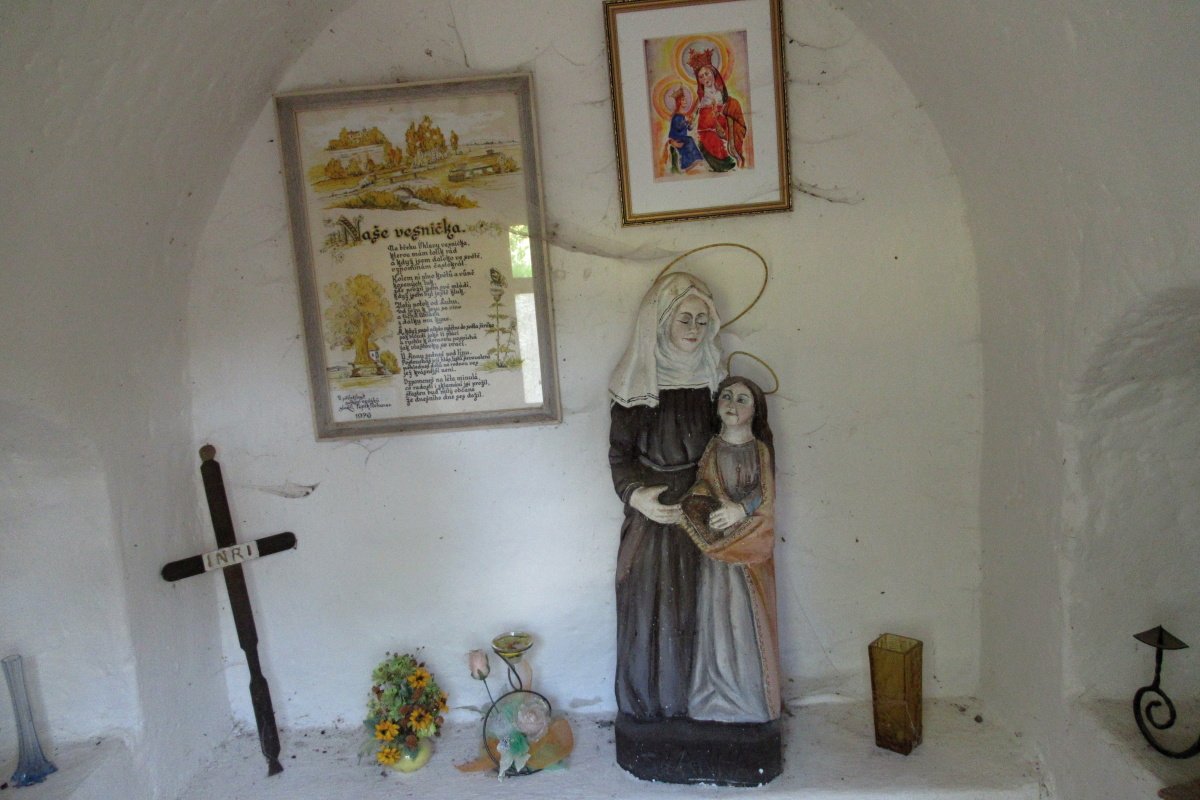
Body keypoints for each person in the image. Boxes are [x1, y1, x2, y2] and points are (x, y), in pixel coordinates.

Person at [608, 272, 724, 723]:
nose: (694, 329)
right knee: (649, 608)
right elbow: (619, 456)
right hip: (653, 517)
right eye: (684, 319)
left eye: (702, 320)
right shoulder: (638, 383)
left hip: (702, 511)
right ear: (661, 322)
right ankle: (650, 708)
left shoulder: (714, 380)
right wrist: (639, 498)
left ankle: (697, 704)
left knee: (701, 608)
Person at [679, 376, 781, 724]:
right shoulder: (713, 447)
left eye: (741, 399)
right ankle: (715, 692)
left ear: (755, 410)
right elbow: (703, 485)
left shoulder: (759, 449)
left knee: (743, 620)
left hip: (747, 550)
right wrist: (701, 507)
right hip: (717, 554)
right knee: (716, 619)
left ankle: (749, 698)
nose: (732, 405)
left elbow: (765, 495)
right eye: (726, 396)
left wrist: (740, 510)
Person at [687, 48, 747, 172]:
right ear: (699, 80)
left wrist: (724, 126)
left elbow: (735, 121)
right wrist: (690, 122)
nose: (705, 78)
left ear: (714, 73)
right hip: (704, 139)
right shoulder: (700, 100)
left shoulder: (727, 100)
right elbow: (691, 121)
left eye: (707, 74)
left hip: (722, 137)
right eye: (701, 76)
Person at [664, 88, 704, 174]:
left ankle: (696, 160)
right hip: (677, 138)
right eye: (683, 100)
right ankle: (686, 164)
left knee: (689, 139)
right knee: (689, 140)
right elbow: (679, 127)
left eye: (685, 100)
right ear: (679, 102)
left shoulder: (683, 116)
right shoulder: (676, 116)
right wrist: (686, 121)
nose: (685, 101)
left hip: (683, 138)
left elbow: (689, 128)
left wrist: (691, 123)